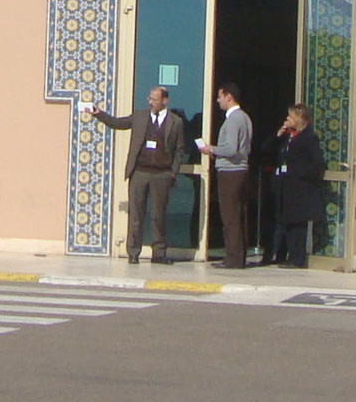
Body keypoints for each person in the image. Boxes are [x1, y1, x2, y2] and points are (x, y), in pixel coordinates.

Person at [86, 84, 189, 263]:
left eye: (154, 100)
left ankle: (159, 253)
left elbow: (180, 149)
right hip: (140, 172)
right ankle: (133, 252)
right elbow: (118, 123)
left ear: (165, 101)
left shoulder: (175, 122)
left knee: (158, 215)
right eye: (150, 98)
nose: (151, 102)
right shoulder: (140, 117)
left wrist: (173, 172)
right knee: (136, 214)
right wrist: (98, 113)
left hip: (161, 174)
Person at [199, 84, 254, 271]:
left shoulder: (233, 120)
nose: (217, 100)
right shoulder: (245, 118)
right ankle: (239, 255)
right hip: (241, 171)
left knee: (230, 216)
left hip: (231, 172)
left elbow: (231, 149)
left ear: (229, 97)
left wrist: (211, 149)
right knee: (239, 215)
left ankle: (233, 258)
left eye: (220, 96)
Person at [266, 103, 326, 269]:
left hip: (300, 189)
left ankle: (298, 258)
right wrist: (278, 135)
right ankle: (286, 255)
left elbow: (317, 162)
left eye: (290, 117)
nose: (287, 120)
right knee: (287, 223)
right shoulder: (288, 137)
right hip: (286, 188)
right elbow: (267, 150)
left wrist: (298, 172)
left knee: (298, 225)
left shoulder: (308, 138)